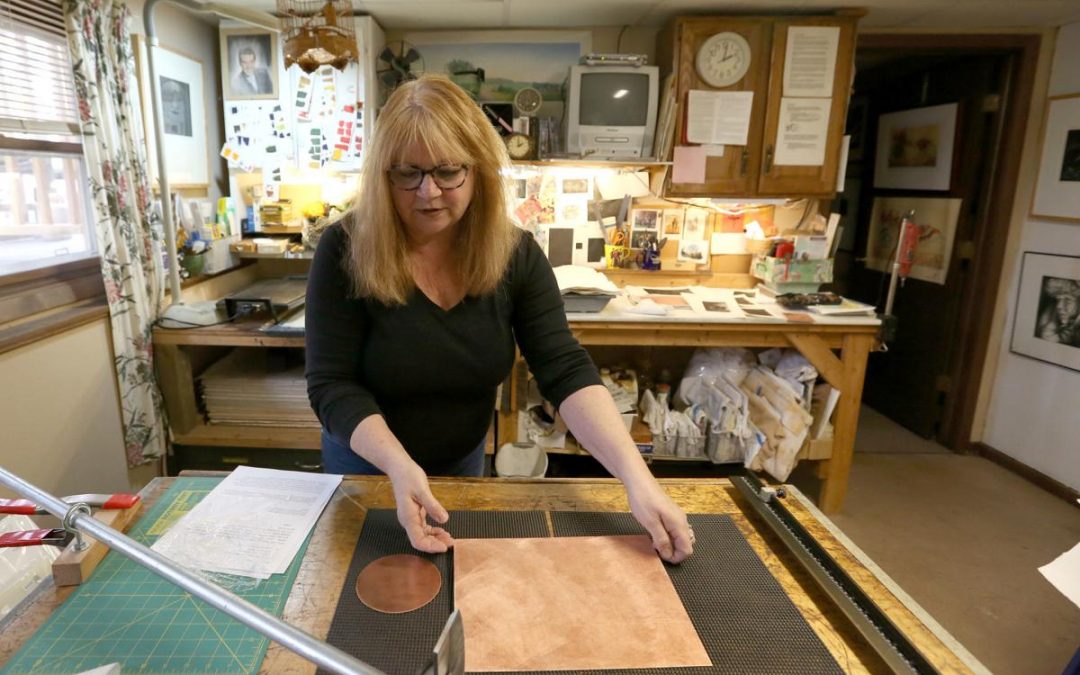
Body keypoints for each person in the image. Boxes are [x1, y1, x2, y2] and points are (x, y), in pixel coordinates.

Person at [305, 74, 694, 563]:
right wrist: (399, 467)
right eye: (407, 173)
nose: (427, 192)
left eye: (448, 172)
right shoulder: (345, 249)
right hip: (367, 467)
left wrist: (637, 480)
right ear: (383, 175)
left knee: (453, 581)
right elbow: (331, 385)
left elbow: (563, 368)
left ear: (479, 169)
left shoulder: (514, 254)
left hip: (463, 465)